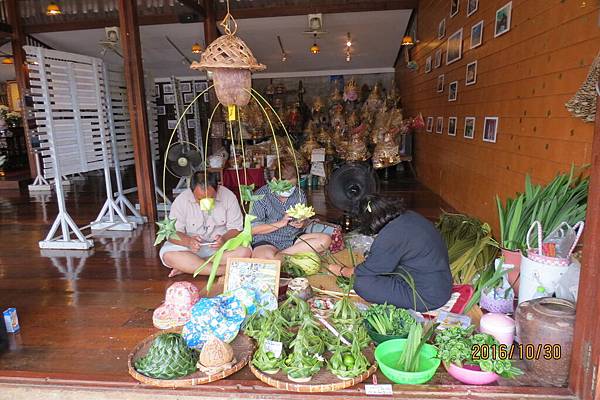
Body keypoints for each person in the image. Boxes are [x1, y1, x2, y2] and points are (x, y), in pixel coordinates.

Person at [329, 194, 452, 312]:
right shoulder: (410, 216)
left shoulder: (389, 236)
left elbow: (366, 270)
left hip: (427, 297)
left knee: (361, 283)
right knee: (377, 262)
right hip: (442, 283)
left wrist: (342, 271)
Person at [160, 171, 251, 277]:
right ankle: (221, 271)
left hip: (220, 249)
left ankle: (191, 267)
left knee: (245, 252)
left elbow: (236, 228)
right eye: (199, 199)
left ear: (217, 189)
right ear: (192, 191)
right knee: (168, 256)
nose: (204, 203)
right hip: (191, 250)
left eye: (210, 198)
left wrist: (224, 239)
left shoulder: (228, 196)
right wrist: (188, 242)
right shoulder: (182, 200)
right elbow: (171, 233)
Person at [251, 163, 331, 260]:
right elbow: (253, 229)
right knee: (262, 257)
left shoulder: (299, 194)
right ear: (275, 180)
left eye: (292, 186)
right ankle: (287, 258)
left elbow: (305, 220)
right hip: (267, 239)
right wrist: (281, 223)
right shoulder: (260, 196)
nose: (290, 190)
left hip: (293, 237)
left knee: (325, 240)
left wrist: (302, 223)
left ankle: (279, 258)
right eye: (286, 187)